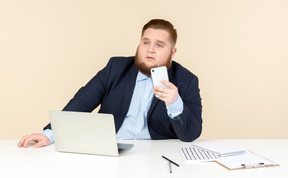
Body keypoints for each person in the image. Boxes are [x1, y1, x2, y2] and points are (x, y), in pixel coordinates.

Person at [18, 19, 202, 148]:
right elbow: (81, 103)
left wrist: (175, 103)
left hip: (157, 155)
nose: (150, 49)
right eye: (146, 42)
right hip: (111, 149)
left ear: (173, 52)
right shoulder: (116, 67)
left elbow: (191, 134)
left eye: (159, 45)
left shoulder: (186, 80)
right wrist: (49, 134)